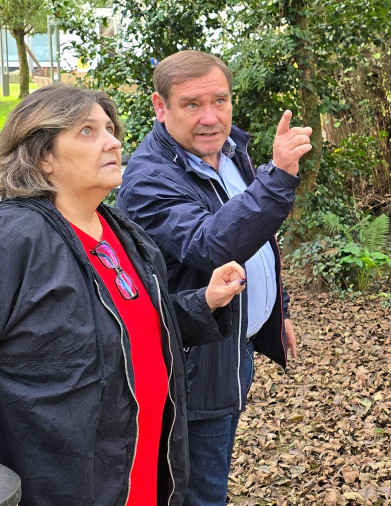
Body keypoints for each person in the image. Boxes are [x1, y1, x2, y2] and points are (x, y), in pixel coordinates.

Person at [0, 84, 248, 505]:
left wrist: (203, 302)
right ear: (43, 156)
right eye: (86, 131)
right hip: (64, 484)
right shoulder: (15, 239)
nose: (113, 141)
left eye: (110, 129)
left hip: (145, 470)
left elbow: (134, 328)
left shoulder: (123, 233)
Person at [116, 50, 313, 505]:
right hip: (192, 365)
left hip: (233, 348)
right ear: (160, 107)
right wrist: (279, 177)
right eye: (192, 104)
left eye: (219, 101)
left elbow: (258, 239)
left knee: (215, 469)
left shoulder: (228, 151)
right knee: (199, 491)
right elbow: (211, 244)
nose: (210, 118)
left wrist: (275, 313)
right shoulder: (148, 179)